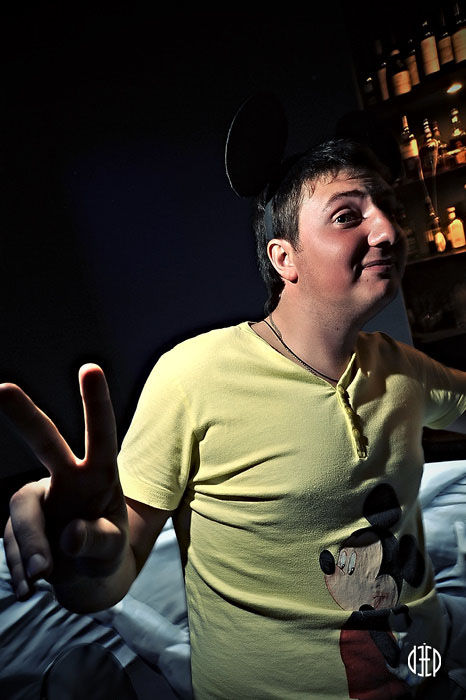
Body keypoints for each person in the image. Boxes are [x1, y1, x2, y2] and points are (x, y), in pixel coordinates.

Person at [2, 138, 466, 699]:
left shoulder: (402, 368)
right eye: (348, 216)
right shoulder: (193, 377)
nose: (389, 230)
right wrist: (81, 561)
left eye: (388, 208)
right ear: (284, 258)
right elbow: (112, 571)